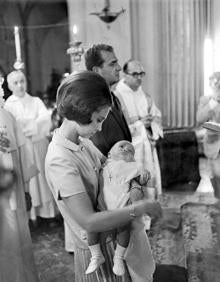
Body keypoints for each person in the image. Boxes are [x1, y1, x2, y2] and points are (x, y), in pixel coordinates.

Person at [45, 71, 162, 281]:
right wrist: (140, 208)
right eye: (98, 120)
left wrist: (133, 181)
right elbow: (89, 221)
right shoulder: (59, 160)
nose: (100, 128)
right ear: (81, 111)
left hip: (113, 238)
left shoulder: (84, 143)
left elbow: (115, 168)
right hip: (95, 250)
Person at [86, 140, 154, 279]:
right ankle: (96, 255)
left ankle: (118, 257)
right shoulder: (104, 165)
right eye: (121, 147)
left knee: (124, 231)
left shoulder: (129, 167)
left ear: (132, 159)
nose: (125, 150)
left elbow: (142, 178)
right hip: (102, 210)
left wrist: (143, 172)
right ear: (109, 154)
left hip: (121, 212)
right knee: (92, 229)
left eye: (129, 151)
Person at [0, 76, 39, 282]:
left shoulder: (6, 116)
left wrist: (24, 188)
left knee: (14, 236)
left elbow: (22, 153)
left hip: (11, 189)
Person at [4, 70, 56, 224]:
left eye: (22, 81)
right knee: (29, 181)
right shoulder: (7, 105)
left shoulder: (35, 101)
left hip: (38, 146)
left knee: (43, 180)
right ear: (9, 86)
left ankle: (48, 213)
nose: (20, 85)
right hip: (23, 150)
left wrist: (26, 124)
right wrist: (30, 123)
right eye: (16, 82)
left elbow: (45, 119)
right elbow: (10, 126)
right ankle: (31, 216)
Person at [115, 60, 163, 197]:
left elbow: (157, 118)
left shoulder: (146, 97)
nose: (139, 78)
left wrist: (150, 125)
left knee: (148, 187)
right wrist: (140, 124)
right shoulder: (117, 97)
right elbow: (117, 128)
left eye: (142, 73)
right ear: (125, 75)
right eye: (135, 74)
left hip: (147, 148)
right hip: (128, 152)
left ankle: (148, 211)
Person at [84, 44, 132, 156]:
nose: (119, 67)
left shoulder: (114, 98)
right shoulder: (92, 102)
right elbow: (98, 145)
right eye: (112, 63)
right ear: (96, 70)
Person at [196, 71, 220, 197]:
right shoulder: (205, 100)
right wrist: (214, 102)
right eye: (215, 83)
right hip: (214, 145)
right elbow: (200, 119)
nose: (217, 86)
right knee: (216, 178)